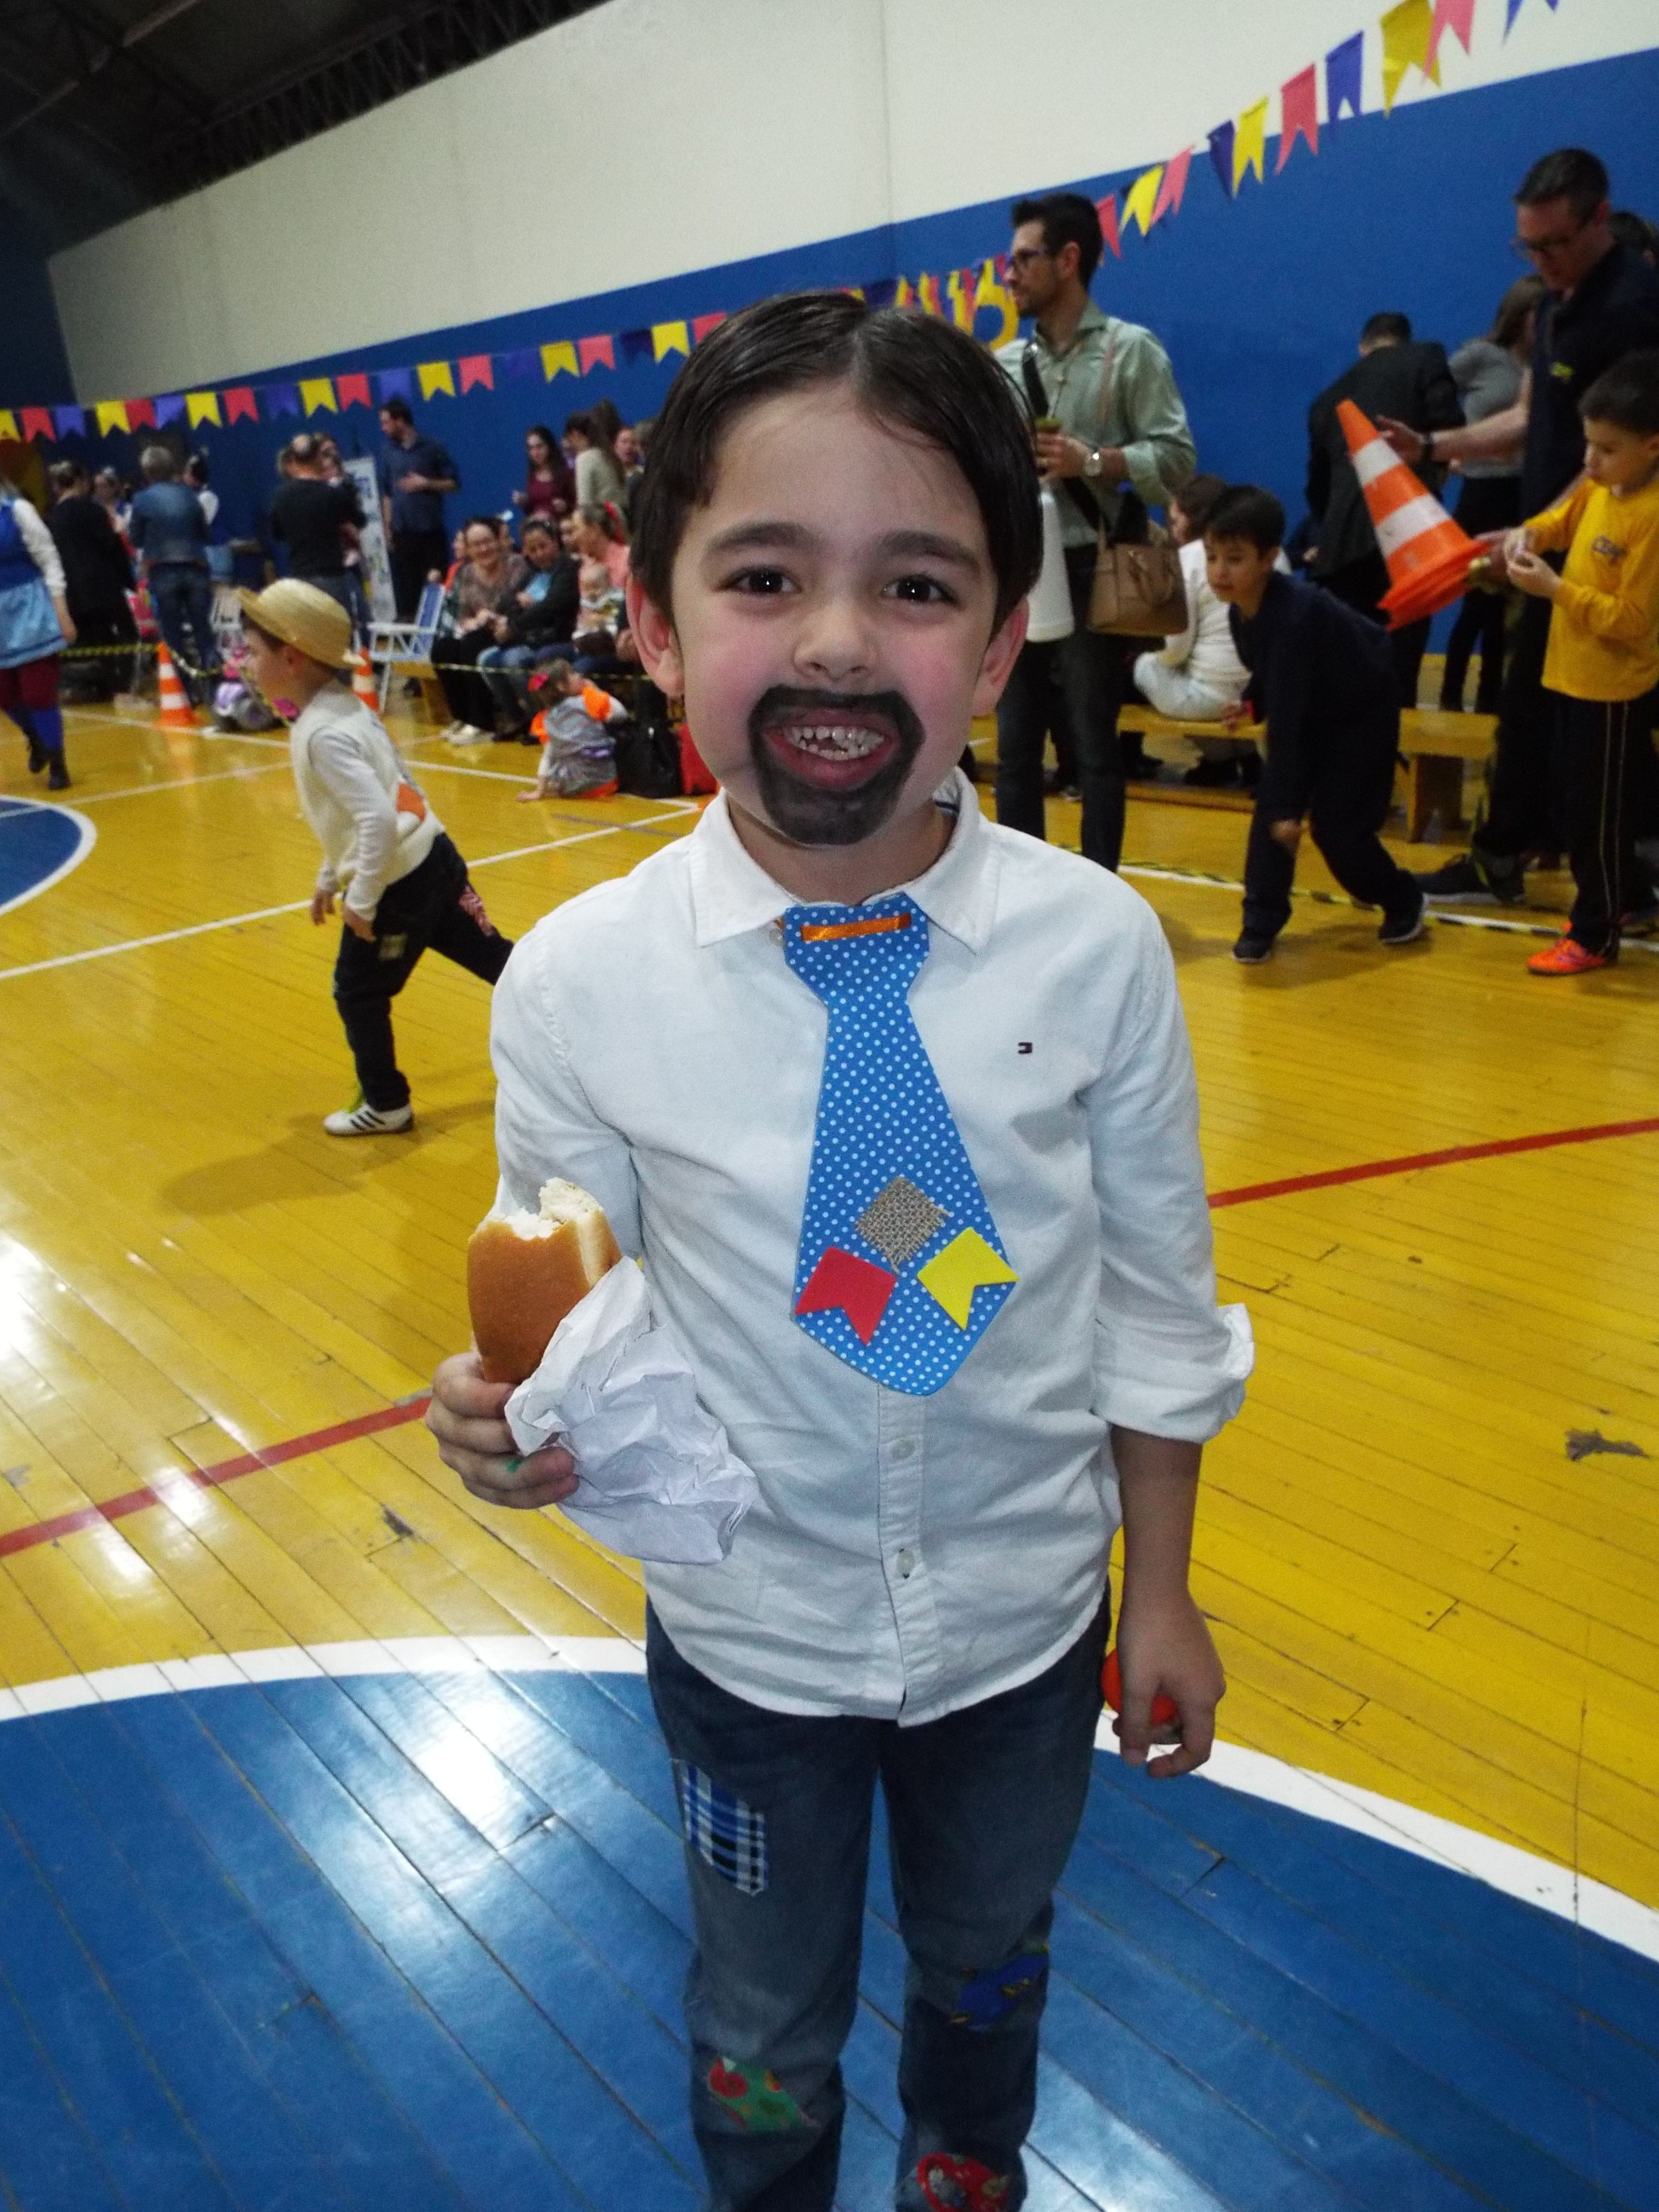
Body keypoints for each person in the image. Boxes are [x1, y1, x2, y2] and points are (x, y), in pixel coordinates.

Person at [425, 290, 1250, 2212]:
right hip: (749, 1642)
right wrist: (522, 1423)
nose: (835, 640)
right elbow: (582, 1319)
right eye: (764, 574)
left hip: (1028, 1629)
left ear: (1003, 640)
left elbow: (1153, 1305)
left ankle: (968, 2171)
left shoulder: (1096, 951)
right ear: (652, 621)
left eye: (917, 585)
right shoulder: (577, 985)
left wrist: (1161, 1587)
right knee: (760, 2020)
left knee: (988, 1964)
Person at [1378, 149, 1659, 907]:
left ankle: (1613, 875)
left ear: (1601, 219)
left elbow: (1620, 457)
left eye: (1555, 244)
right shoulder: (1556, 304)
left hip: (1608, 554)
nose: (1542, 261)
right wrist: (1431, 445)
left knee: (1598, 723)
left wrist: (1537, 531)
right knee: (1530, 708)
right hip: (1552, 544)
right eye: (1528, 246)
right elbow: (1530, 417)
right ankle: (1513, 853)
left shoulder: (1636, 307)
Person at [237, 578, 513, 1135]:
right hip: (435, 858)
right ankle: (580, 1020)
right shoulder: (346, 708)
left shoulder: (320, 734)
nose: (244, 663)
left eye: (252, 651)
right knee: (494, 959)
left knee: (358, 992)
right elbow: (370, 803)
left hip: (397, 887)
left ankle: (386, 1104)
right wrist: (328, 876)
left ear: (290, 658)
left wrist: (360, 900)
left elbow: (376, 819)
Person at [995, 191, 1196, 870]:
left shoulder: (1130, 352)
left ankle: (1102, 891)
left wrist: (1094, 461)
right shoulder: (1002, 365)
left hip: (1094, 568)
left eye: (1024, 260)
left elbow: (1177, 462)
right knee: (1015, 747)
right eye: (1008, 262)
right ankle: (1022, 892)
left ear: (1069, 260)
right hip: (1022, 569)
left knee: (1094, 748)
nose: (1009, 276)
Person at [1204, 485, 1426, 963]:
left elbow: (1289, 721)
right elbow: (1273, 680)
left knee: (1337, 832)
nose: (1219, 571)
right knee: (1271, 818)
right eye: (1212, 557)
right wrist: (1250, 705)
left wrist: (1290, 808)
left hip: (1361, 715)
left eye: (1235, 559)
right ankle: (1260, 923)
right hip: (1315, 708)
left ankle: (1404, 898)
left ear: (1269, 559)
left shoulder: (1295, 618)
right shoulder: (1242, 612)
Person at [1503, 352, 1659, 974]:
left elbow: (1635, 621)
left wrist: (1557, 591)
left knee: (1597, 823)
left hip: (1614, 690)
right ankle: (1630, 899)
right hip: (1573, 676)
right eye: (1588, 444)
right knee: (1580, 810)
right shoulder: (1600, 485)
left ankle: (1595, 935)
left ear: (1652, 446)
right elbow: (1559, 522)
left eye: (1607, 449)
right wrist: (1531, 534)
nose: (1590, 462)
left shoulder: (1652, 516)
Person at [1305, 311, 1463, 709]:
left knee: (1348, 677)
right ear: (1405, 340)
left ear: (1363, 347)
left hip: (1342, 548)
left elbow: (1318, 491)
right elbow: (1449, 429)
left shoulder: (1327, 400)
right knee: (1399, 674)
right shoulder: (1425, 356)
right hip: (1407, 537)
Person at [1439, 277, 1545, 712]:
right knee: (1476, 600)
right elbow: (1436, 392)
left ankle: (1490, 699)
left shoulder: (1548, 363)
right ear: (1520, 316)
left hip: (1523, 491)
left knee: (1509, 602)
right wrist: (1451, 450)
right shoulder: (1482, 356)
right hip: (1482, 490)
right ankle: (1450, 695)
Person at [1131, 471, 1262, 789]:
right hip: (1259, 693)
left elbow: (1175, 650)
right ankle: (1247, 761)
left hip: (1213, 698)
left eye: (1176, 521)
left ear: (1195, 520)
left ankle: (1218, 762)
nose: (1172, 528)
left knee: (1145, 666)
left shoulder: (1190, 559)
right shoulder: (1262, 554)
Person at [127, 443, 220, 700]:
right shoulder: (190, 495)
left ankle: (185, 692)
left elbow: (135, 539)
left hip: (163, 571)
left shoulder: (142, 499)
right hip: (196, 568)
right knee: (204, 632)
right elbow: (206, 534)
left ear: (147, 471)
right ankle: (216, 688)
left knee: (172, 634)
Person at [0, 474, 75, 790]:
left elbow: (49, 560)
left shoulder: (18, 511)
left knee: (38, 692)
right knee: (4, 694)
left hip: (30, 610)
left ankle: (58, 764)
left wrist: (62, 611)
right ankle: (36, 738)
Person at [477, 516, 581, 733]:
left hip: (554, 637)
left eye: (543, 546)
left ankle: (541, 721)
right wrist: (518, 607)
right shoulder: (532, 573)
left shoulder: (569, 569)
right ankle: (518, 719)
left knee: (513, 661)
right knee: (486, 660)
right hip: (526, 637)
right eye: (533, 550)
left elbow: (553, 606)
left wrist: (517, 622)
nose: (539, 554)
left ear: (555, 542)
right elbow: (507, 601)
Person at [430, 516, 529, 740]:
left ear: (498, 541)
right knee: (443, 649)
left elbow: (517, 607)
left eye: (488, 542)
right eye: (476, 545)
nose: (484, 549)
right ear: (468, 548)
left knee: (472, 644)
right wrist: (475, 622)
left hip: (510, 630)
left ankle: (482, 722)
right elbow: (463, 616)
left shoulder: (516, 565)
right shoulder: (465, 573)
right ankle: (462, 717)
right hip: (478, 631)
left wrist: (489, 617)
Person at [47, 459, 138, 701]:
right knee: (127, 633)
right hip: (104, 585)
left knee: (94, 639)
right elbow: (111, 546)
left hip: (74, 591)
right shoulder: (93, 510)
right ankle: (122, 687)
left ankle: (102, 687)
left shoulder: (54, 518)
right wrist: (129, 582)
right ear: (80, 481)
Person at [270, 433, 368, 630]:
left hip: (301, 579)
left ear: (293, 460)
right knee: (342, 635)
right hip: (332, 578)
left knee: (313, 636)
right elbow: (360, 521)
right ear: (318, 458)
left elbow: (277, 534)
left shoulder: (280, 497)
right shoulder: (332, 494)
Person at [377, 397, 460, 618]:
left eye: (386, 422)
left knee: (438, 587)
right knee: (407, 595)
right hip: (403, 534)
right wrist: (387, 528)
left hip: (430, 532)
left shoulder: (432, 448)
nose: (383, 428)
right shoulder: (387, 453)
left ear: (400, 421)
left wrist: (426, 484)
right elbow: (387, 494)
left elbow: (453, 484)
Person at [516, 659, 628, 798]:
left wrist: (539, 792)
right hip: (604, 783)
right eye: (572, 674)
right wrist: (596, 691)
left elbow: (548, 755)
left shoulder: (546, 719)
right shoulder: (587, 700)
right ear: (561, 687)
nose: (579, 675)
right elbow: (621, 714)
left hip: (569, 789)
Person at [564, 409, 627, 511]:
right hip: (620, 518)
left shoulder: (585, 458)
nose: (569, 445)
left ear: (576, 434)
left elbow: (585, 504)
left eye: (568, 439)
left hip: (600, 520)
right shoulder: (610, 455)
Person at [511, 423, 574, 523]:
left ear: (549, 446)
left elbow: (578, 505)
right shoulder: (532, 475)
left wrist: (566, 507)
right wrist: (525, 503)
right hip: (539, 528)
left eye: (539, 447)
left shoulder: (566, 473)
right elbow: (533, 509)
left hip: (562, 527)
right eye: (531, 448)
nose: (535, 453)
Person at [184, 452, 219, 531]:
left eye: (187, 472)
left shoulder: (207, 497)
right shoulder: (190, 495)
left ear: (196, 476)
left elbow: (198, 527)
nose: (184, 476)